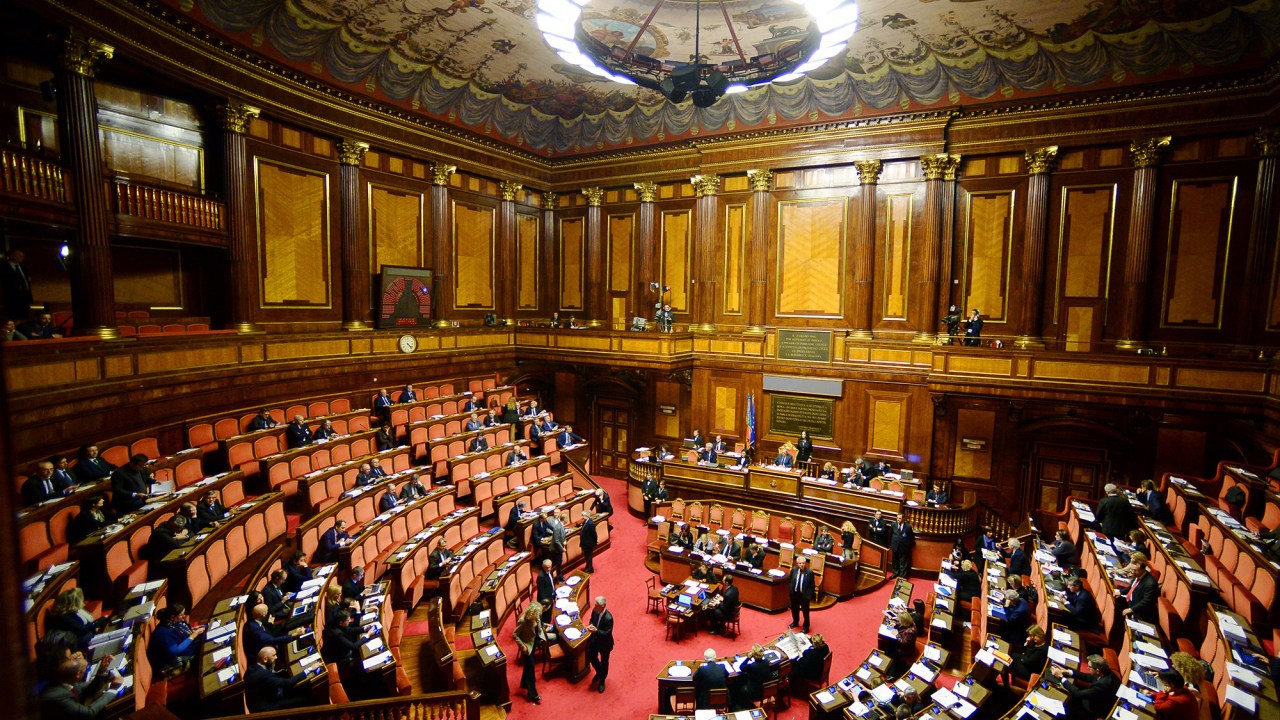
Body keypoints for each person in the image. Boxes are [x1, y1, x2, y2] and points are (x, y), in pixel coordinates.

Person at [40, 651, 123, 718]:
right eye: (70, 658)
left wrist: (101, 671)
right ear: (78, 675)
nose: (75, 656)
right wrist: (112, 690)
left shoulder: (64, 680)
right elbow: (88, 713)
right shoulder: (58, 696)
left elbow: (87, 689)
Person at [245, 646, 313, 712]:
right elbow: (287, 683)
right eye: (273, 655)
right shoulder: (264, 674)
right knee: (305, 699)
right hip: (267, 708)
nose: (276, 657)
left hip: (264, 697)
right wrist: (309, 669)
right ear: (265, 659)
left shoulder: (251, 668)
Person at [1052, 654, 1120, 720]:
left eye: (1089, 667)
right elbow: (1089, 677)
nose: (1087, 668)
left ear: (1097, 670)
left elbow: (1078, 694)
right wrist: (1067, 672)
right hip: (1095, 699)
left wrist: (1061, 677)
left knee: (1062, 706)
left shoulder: (1102, 685)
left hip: (1092, 711)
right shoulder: (1106, 672)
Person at [151, 604, 204, 674]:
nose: (184, 616)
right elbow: (175, 650)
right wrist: (192, 636)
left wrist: (192, 630)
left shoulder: (173, 621)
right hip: (177, 658)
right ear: (173, 617)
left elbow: (181, 630)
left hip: (189, 646)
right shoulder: (163, 633)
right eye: (181, 615)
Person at [514, 602, 545, 704]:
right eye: (536, 614)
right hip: (527, 646)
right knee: (531, 668)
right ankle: (533, 694)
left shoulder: (536, 617)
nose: (538, 616)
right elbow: (515, 634)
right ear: (532, 613)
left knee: (528, 666)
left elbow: (538, 628)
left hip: (534, 642)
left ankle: (524, 683)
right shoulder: (523, 621)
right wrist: (522, 646)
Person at [1118, 558, 1159, 623]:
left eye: (1134, 570)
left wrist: (1131, 609)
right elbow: (1131, 587)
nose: (1132, 572)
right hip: (1131, 602)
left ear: (1142, 569)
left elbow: (1146, 602)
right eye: (1131, 569)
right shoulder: (1138, 574)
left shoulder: (1150, 584)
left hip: (1140, 612)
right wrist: (1120, 592)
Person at [586, 596, 614, 693]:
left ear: (603, 606)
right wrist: (590, 625)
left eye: (596, 605)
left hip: (605, 644)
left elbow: (607, 634)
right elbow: (591, 620)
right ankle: (599, 671)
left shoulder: (608, 618)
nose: (594, 606)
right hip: (595, 640)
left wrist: (596, 630)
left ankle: (602, 680)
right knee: (591, 656)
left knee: (604, 662)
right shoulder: (595, 611)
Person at [2, 248, 33, 320]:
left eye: (22, 256)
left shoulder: (23, 267)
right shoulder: (4, 267)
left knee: (25, 318)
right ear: (12, 256)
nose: (22, 258)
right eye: (19, 256)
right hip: (12, 299)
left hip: (24, 299)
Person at [789, 557, 816, 633]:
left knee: (805, 612)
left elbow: (812, 586)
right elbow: (790, 581)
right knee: (794, 609)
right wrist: (791, 591)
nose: (802, 565)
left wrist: (808, 596)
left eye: (803, 563)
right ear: (797, 564)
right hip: (795, 594)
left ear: (805, 563)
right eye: (800, 563)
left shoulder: (809, 572)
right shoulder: (794, 570)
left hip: (804, 596)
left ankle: (806, 627)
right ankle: (795, 622)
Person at [890, 610, 917, 676]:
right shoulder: (910, 622)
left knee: (892, 653)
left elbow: (904, 642)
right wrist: (896, 624)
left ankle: (893, 674)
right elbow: (902, 624)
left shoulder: (909, 632)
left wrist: (896, 634)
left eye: (900, 620)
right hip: (904, 643)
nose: (899, 621)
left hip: (906, 649)